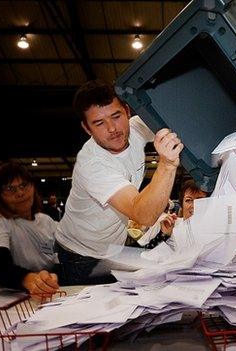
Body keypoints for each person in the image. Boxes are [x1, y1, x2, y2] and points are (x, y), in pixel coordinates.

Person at [55, 80, 183, 285]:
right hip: (80, 255)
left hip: (114, 247)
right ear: (87, 128)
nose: (113, 128)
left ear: (127, 111)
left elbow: (175, 115)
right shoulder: (92, 164)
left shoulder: (135, 129)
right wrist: (167, 164)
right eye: (99, 123)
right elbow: (143, 214)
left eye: (116, 116)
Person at [0, 163, 60, 295]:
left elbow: (59, 259)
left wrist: (52, 277)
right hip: (14, 294)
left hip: (49, 289)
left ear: (33, 187)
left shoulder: (46, 221)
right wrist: (30, 280)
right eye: (10, 189)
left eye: (24, 185)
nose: (20, 193)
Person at [138, 179, 208, 249]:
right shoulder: (167, 223)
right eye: (188, 200)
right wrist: (163, 235)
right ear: (182, 204)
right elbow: (141, 251)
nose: (193, 205)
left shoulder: (213, 231)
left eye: (199, 200)